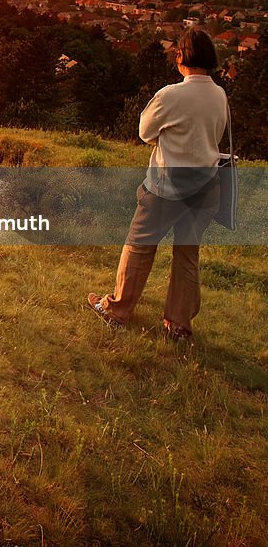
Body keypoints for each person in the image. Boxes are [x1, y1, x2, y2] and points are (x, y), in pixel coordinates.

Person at [87, 28, 228, 341]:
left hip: (167, 187)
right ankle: (178, 327)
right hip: (206, 186)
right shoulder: (219, 93)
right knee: (187, 257)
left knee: (139, 246)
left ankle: (117, 310)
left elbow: (145, 132)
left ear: (181, 56)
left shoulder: (170, 95)